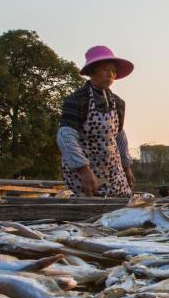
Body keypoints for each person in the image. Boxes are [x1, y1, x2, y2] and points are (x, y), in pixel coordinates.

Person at [57, 45, 135, 198]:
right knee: (87, 206)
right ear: (92, 71)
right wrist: (84, 170)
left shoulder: (118, 103)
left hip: (112, 170)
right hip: (84, 170)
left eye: (113, 71)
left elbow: (119, 136)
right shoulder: (78, 99)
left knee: (122, 203)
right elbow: (66, 136)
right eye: (105, 70)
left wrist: (127, 168)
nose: (110, 74)